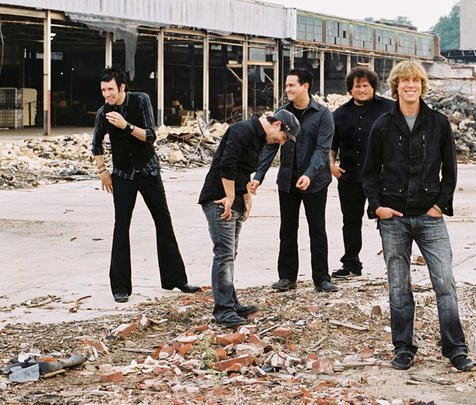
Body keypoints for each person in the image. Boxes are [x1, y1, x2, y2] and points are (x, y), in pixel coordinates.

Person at [362, 60, 475, 372]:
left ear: (422, 86)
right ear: (396, 86)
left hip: (430, 217)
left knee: (445, 282)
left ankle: (455, 349)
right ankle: (403, 348)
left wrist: (440, 205)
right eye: (404, 80)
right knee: (399, 287)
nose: (410, 85)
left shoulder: (438, 123)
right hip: (393, 218)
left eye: (415, 80)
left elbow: (450, 171)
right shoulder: (382, 125)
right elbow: (369, 173)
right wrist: (377, 207)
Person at [91, 66, 199, 303]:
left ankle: (175, 279)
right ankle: (120, 288)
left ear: (121, 87)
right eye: (103, 90)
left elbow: (150, 136)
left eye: (110, 89)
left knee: (163, 221)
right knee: (121, 228)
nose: (107, 94)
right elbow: (96, 144)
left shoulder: (141, 101)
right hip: (122, 175)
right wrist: (102, 172)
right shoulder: (103, 113)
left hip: (148, 171)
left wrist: (126, 126)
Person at [198, 110, 300, 327]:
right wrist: (229, 196)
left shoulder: (258, 137)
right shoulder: (242, 130)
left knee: (230, 253)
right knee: (224, 254)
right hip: (219, 199)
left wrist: (246, 200)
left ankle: (231, 303)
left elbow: (243, 172)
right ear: (277, 124)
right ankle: (223, 310)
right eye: (283, 137)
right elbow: (227, 164)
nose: (281, 142)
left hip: (233, 199)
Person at [250, 69, 337, 293]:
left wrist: (309, 174)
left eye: (291, 85)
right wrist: (259, 176)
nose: (287, 89)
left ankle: (322, 278)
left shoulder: (323, 115)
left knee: (317, 229)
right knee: (287, 229)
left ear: (305, 86)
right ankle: (287, 277)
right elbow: (271, 146)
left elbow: (322, 150)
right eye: (286, 85)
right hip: (287, 181)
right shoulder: (281, 113)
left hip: (315, 181)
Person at [330, 67, 394, 278]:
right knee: (350, 221)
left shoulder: (389, 109)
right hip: (349, 176)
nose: (362, 89)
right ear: (350, 89)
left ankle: (394, 264)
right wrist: (331, 166)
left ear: (373, 87)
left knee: (387, 220)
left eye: (366, 85)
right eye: (357, 86)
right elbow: (331, 145)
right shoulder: (339, 114)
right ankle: (351, 264)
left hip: (381, 178)